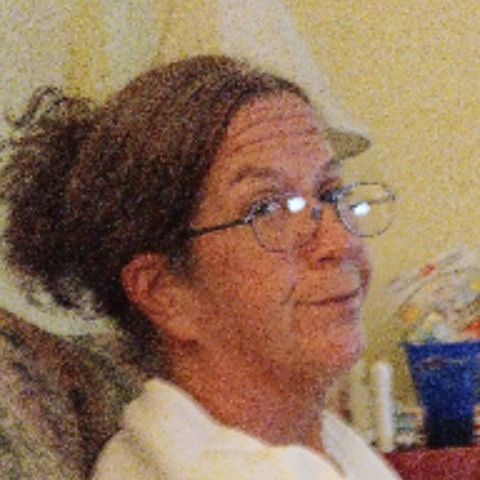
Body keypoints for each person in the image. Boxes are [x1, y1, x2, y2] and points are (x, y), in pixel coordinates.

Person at [0, 55, 398, 479]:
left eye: (331, 193)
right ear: (162, 292)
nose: (341, 241)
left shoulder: (319, 444)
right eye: (267, 209)